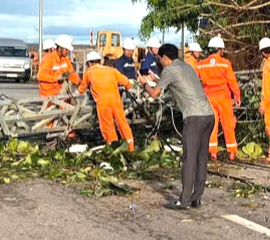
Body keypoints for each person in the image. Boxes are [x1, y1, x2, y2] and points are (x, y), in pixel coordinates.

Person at [143, 44, 215, 210]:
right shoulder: (188, 67)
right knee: (201, 158)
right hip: (208, 116)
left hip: (194, 118)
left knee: (189, 159)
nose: (160, 63)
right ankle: (196, 197)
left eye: (159, 60)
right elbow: (177, 85)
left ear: (165, 58)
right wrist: (155, 79)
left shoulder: (168, 70)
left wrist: (144, 84)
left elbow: (155, 94)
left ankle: (183, 201)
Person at [196, 36, 241, 160]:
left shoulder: (201, 65)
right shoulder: (225, 64)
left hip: (209, 98)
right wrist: (237, 95)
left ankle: (212, 153)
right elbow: (232, 81)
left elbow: (195, 81)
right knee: (228, 125)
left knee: (212, 126)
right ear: (220, 50)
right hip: (224, 98)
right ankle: (231, 152)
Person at [79, 51, 134, 151]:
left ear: (89, 63)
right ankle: (130, 147)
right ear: (101, 61)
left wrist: (79, 91)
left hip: (103, 103)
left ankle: (114, 147)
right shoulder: (111, 70)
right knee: (122, 123)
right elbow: (125, 81)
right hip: (116, 101)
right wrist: (129, 86)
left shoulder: (89, 72)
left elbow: (82, 88)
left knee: (107, 126)